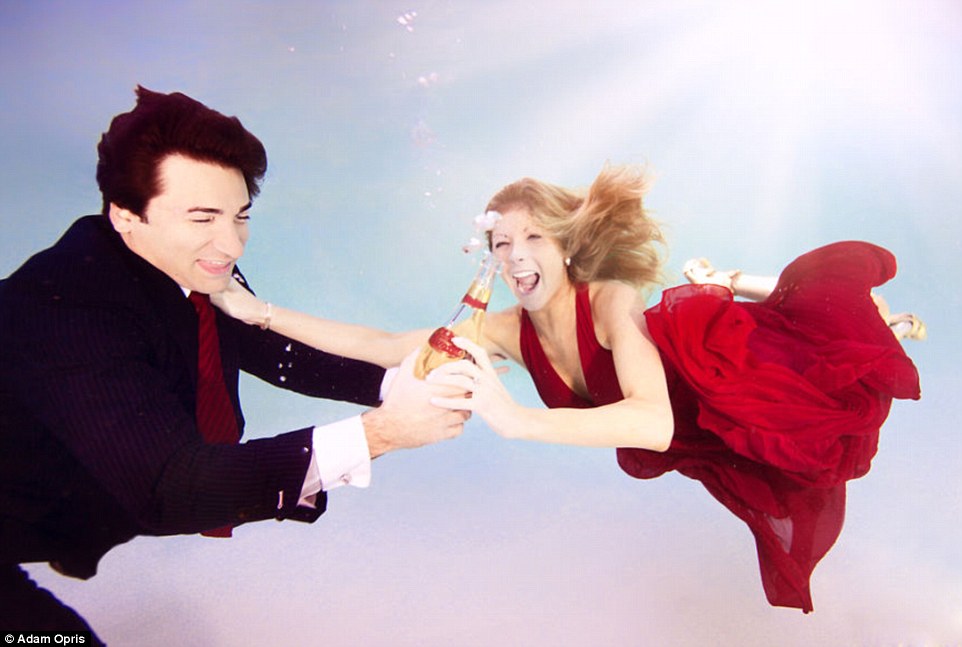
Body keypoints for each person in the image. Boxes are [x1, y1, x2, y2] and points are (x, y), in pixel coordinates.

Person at [212, 163, 922, 613]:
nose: (515, 256)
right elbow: (383, 343)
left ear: (565, 245)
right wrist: (260, 313)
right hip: (710, 431)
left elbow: (652, 423)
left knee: (823, 356)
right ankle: (840, 314)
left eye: (534, 239)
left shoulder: (610, 298)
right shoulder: (505, 329)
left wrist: (516, 418)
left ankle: (868, 318)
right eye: (501, 244)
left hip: (730, 375)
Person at [0, 86, 466, 642]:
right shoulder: (67, 307)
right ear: (124, 215)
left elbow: (267, 348)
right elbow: (173, 489)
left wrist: (406, 382)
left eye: (240, 216)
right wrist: (383, 431)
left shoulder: (187, 258)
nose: (232, 245)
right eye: (203, 218)